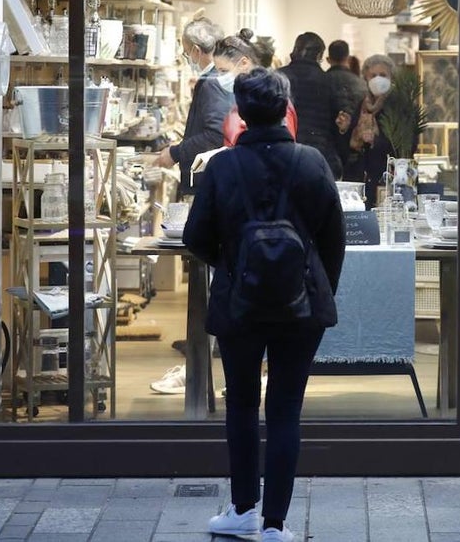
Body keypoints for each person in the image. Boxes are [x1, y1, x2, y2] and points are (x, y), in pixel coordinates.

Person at [183, 68, 345, 542]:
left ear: (241, 113)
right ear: (286, 109)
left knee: (240, 404)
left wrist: (233, 263)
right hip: (301, 305)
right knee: (286, 409)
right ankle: (275, 523)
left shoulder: (222, 166)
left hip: (240, 303)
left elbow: (196, 237)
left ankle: (242, 510)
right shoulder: (312, 162)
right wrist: (317, 285)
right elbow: (334, 239)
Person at [155, 17, 232, 195]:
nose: (187, 58)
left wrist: (175, 153)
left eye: (186, 53)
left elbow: (215, 134)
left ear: (197, 51)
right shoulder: (220, 76)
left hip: (206, 181)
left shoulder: (212, 82)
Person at [337, 54, 399, 208]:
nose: (378, 79)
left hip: (385, 181)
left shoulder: (397, 106)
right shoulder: (362, 105)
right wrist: (345, 130)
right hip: (360, 179)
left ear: (391, 78)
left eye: (383, 75)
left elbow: (404, 145)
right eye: (373, 75)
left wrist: (375, 141)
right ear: (366, 78)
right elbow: (349, 147)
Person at [216, 30, 298, 146]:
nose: (220, 77)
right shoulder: (241, 99)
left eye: (224, 71)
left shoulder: (274, 101)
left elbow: (282, 149)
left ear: (244, 63)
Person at [279, 32, 342, 178]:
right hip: (319, 150)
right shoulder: (328, 81)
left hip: (284, 147)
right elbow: (335, 120)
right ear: (319, 55)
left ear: (295, 49)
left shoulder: (279, 77)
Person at [326, 39, 368, 128]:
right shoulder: (360, 83)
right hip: (353, 132)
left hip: (327, 132)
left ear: (328, 59)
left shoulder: (322, 80)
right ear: (348, 58)